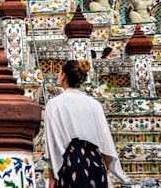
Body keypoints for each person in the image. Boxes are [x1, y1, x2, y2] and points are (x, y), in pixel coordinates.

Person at [45, 60, 127, 188]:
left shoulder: (54, 104)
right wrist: (102, 169)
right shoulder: (94, 104)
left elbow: (52, 145)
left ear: (63, 75)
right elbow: (104, 139)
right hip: (94, 160)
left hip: (68, 163)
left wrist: (52, 176)